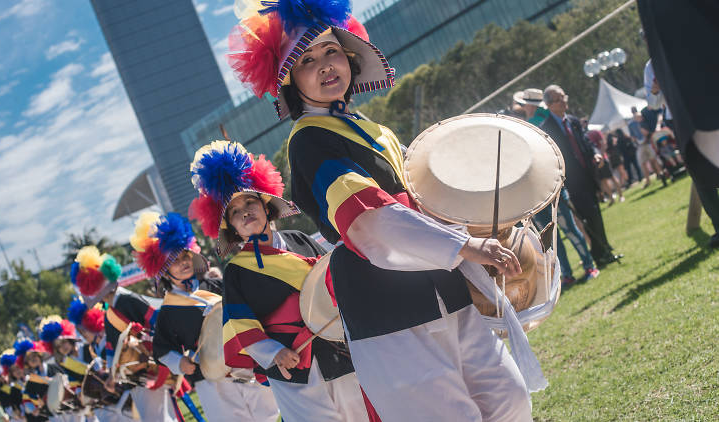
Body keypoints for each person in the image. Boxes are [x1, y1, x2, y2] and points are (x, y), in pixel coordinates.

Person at [228, 3, 533, 420]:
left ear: (350, 56)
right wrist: (463, 244)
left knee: (509, 398)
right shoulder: (308, 141)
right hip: (384, 306)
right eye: (307, 61)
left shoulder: (375, 128)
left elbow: (429, 196)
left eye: (331, 51)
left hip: (443, 285)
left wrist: (482, 218)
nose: (325, 66)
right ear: (290, 83)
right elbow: (367, 217)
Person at [189, 141, 372, 421]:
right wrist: (273, 353)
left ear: (266, 205)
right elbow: (240, 323)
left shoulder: (299, 239)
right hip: (292, 367)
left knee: (360, 413)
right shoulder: (235, 271)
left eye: (250, 202)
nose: (245, 212)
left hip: (337, 348)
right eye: (235, 212)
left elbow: (333, 277)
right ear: (231, 228)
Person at [126, 211, 279, 422]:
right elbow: (162, 348)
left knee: (269, 415)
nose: (183, 263)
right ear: (163, 268)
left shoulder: (216, 284)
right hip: (210, 378)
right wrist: (180, 363)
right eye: (174, 260)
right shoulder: (168, 311)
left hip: (245, 360)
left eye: (184, 256)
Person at [638, 0, 719, 248]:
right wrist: (655, 90)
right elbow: (652, 106)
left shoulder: (690, 35)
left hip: (707, 107)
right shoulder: (651, 68)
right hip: (679, 121)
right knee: (701, 175)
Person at [70, 245, 178, 422]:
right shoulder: (111, 311)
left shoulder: (127, 300)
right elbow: (113, 349)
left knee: (157, 418)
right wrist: (112, 377)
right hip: (134, 374)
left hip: (148, 366)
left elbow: (158, 323)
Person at [540, 85, 622, 267]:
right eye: (558, 99)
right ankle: (600, 253)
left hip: (588, 176)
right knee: (588, 216)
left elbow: (586, 141)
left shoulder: (573, 121)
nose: (563, 101)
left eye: (564, 96)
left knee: (595, 213)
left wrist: (595, 153)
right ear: (549, 105)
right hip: (571, 182)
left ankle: (603, 250)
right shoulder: (547, 129)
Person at [606, 133, 628, 198]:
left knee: (618, 173)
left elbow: (608, 152)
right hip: (617, 158)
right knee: (621, 172)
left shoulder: (608, 144)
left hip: (613, 160)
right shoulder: (614, 141)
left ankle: (622, 184)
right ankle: (623, 184)